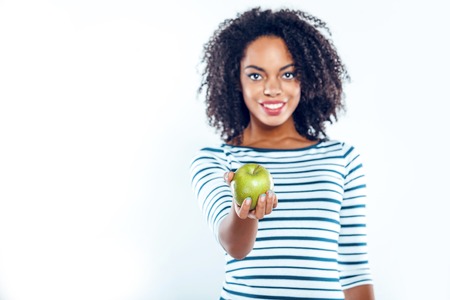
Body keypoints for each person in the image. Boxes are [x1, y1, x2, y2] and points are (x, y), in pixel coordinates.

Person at [190, 7, 375, 300]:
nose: (273, 89)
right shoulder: (216, 160)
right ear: (235, 80)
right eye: (255, 75)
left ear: (307, 78)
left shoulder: (342, 158)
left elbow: (354, 269)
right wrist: (246, 213)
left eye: (287, 74)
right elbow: (234, 245)